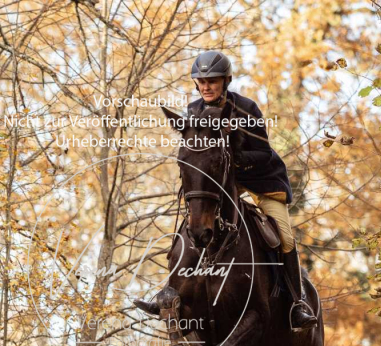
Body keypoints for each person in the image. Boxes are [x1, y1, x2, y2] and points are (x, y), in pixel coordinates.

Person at [135, 51, 317, 331]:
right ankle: (168, 293)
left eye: (213, 81)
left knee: (285, 237)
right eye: (201, 82)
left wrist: (233, 152)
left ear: (226, 81)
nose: (206, 87)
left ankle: (296, 304)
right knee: (191, 227)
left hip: (260, 181)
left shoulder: (247, 108)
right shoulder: (194, 110)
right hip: (220, 183)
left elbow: (264, 153)